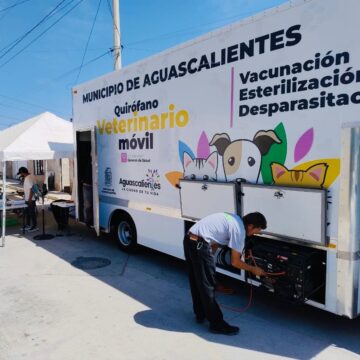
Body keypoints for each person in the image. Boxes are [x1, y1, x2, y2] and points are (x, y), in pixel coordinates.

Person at [183, 211, 267, 335]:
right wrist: (253, 269)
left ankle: (200, 314)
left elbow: (216, 240)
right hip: (200, 244)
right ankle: (216, 324)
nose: (256, 233)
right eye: (257, 230)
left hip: (189, 239)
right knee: (207, 285)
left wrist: (209, 257)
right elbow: (235, 262)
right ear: (250, 226)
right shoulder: (239, 231)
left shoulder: (234, 219)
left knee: (197, 280)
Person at [17, 167, 38, 232]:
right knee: (28, 213)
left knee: (32, 213)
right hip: (30, 198)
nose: (20, 175)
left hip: (30, 199)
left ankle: (34, 227)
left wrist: (29, 199)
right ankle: (28, 225)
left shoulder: (27, 178)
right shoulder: (31, 176)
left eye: (21, 173)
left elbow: (31, 189)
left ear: (23, 173)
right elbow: (34, 187)